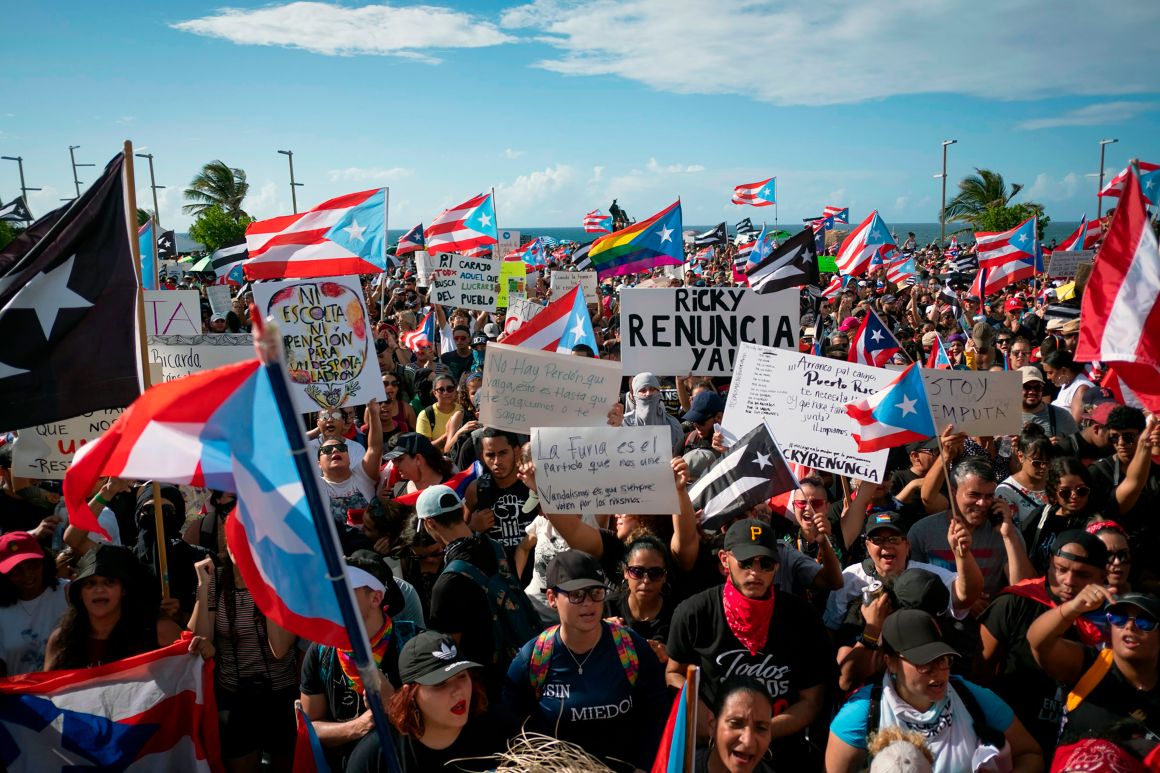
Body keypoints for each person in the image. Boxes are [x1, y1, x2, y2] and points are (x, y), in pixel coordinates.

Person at [666, 519, 832, 769]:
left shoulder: (802, 617)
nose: (755, 572)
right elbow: (673, 674)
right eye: (745, 562)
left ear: (776, 566)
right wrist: (708, 719)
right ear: (724, 560)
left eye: (765, 563)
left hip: (782, 756)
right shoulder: (694, 613)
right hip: (714, 752)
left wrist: (759, 734)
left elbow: (812, 701)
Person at [503, 550, 668, 773]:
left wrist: (642, 766)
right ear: (552, 598)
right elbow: (511, 725)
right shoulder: (533, 657)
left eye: (596, 592)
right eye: (576, 594)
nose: (588, 603)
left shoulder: (631, 648)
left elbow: (657, 715)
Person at [826, 609, 1043, 773]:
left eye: (943, 659)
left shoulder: (971, 697)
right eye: (924, 663)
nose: (938, 672)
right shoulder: (863, 712)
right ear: (890, 662)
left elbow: (1031, 755)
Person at [979, 531, 1109, 756]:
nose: (1068, 581)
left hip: (1071, 744)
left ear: (1102, 577)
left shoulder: (1114, 624)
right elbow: (981, 671)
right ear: (1049, 565)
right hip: (1008, 738)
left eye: (1083, 574)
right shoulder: (1016, 602)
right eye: (1061, 569)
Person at [417, 484, 540, 698]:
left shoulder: (447, 583)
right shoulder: (497, 548)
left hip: (488, 691)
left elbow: (448, 653)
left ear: (429, 522)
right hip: (528, 666)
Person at [297, 562, 416, 770]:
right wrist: (359, 726)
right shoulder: (320, 651)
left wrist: (393, 705)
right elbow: (310, 727)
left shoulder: (413, 643)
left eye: (343, 590)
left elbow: (438, 717)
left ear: (376, 598)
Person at [188, 551, 298, 773]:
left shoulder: (281, 580)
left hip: (281, 696)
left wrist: (268, 582)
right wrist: (203, 587)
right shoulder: (215, 580)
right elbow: (200, 642)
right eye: (234, 535)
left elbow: (280, 649)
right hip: (235, 698)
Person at [349, 631, 505, 772]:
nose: (458, 690)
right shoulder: (376, 754)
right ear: (409, 695)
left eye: (462, 676)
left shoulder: (500, 731)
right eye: (440, 683)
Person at [1028, 587, 1160, 753]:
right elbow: (1039, 642)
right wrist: (1072, 608)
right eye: (1119, 618)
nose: (1129, 626)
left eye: (1145, 622)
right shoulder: (1093, 665)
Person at [45, 544, 211, 670]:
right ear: (80, 593)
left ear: (123, 590)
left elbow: (192, 672)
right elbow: (49, 700)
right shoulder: (61, 641)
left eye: (109, 582)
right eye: (90, 583)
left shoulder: (158, 632)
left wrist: (203, 651)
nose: (99, 589)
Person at [908, 453, 1035, 599]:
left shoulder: (1006, 532)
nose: (982, 503)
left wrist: (1009, 536)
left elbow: (1025, 590)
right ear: (953, 491)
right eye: (974, 495)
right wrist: (961, 601)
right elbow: (914, 589)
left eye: (989, 496)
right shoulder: (923, 532)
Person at [464, 428, 536, 575]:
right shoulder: (475, 489)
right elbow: (458, 538)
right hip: (495, 580)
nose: (497, 461)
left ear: (516, 451)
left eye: (503, 453)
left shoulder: (533, 482)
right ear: (482, 457)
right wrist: (473, 527)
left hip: (536, 578)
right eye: (490, 455)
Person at [0, 531, 69, 675]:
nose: (27, 575)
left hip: (67, 693)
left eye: (33, 564)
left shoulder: (69, 593)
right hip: (21, 696)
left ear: (45, 561)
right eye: (16, 570)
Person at [603, 533, 676, 665]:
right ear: (626, 572)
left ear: (665, 576)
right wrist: (599, 631)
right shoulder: (606, 608)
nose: (646, 580)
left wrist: (671, 656)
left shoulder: (677, 614)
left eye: (655, 573)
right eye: (637, 571)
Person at [1022, 457, 1101, 574]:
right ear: (1054, 491)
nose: (1074, 496)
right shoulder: (1041, 516)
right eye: (1065, 492)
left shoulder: (1096, 523)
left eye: (1081, 490)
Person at [694, 676, 778, 773]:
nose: (748, 741)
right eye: (736, 724)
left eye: (761, 728)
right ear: (713, 725)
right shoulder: (680, 767)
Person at [995, 426, 1055, 531]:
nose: (1043, 467)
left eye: (1048, 462)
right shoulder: (1005, 491)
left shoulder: (1056, 483)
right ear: (1020, 457)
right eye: (1037, 463)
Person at [613, 372, 684, 454]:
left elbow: (680, 454)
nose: (648, 394)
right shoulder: (624, 423)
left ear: (659, 392)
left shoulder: (673, 425)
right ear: (635, 395)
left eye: (652, 389)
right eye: (643, 390)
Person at [1020, 367, 1079, 441]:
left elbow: (1078, 446)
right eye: (1026, 387)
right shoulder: (1005, 416)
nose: (1032, 392)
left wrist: (1062, 446)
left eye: (1037, 387)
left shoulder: (1061, 415)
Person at [1044, 350, 1094, 426]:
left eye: (1050, 372)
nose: (1048, 377)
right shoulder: (1066, 384)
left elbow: (1074, 425)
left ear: (1063, 370)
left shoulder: (1081, 389)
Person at [415, 374, 459, 452]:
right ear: (435, 393)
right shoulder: (425, 415)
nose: (446, 393)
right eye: (441, 390)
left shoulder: (463, 410)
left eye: (450, 388)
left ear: (455, 390)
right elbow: (423, 448)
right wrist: (447, 434)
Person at [1088, 520, 1132, 595]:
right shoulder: (1074, 598)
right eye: (1107, 555)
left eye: (1123, 554)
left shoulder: (1145, 598)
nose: (1117, 562)